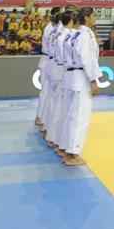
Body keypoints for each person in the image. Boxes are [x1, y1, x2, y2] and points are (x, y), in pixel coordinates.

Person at [61, 8, 101, 167]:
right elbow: (88, 58)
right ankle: (72, 154)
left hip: (70, 76)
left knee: (70, 116)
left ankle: (66, 148)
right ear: (86, 17)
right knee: (80, 117)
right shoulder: (86, 34)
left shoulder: (72, 33)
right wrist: (93, 79)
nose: (95, 18)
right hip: (80, 78)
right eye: (93, 16)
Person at [47, 10, 73, 155]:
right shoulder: (64, 35)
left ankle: (52, 137)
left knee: (55, 104)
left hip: (55, 67)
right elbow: (65, 57)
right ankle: (57, 140)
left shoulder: (56, 32)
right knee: (60, 108)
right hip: (61, 70)